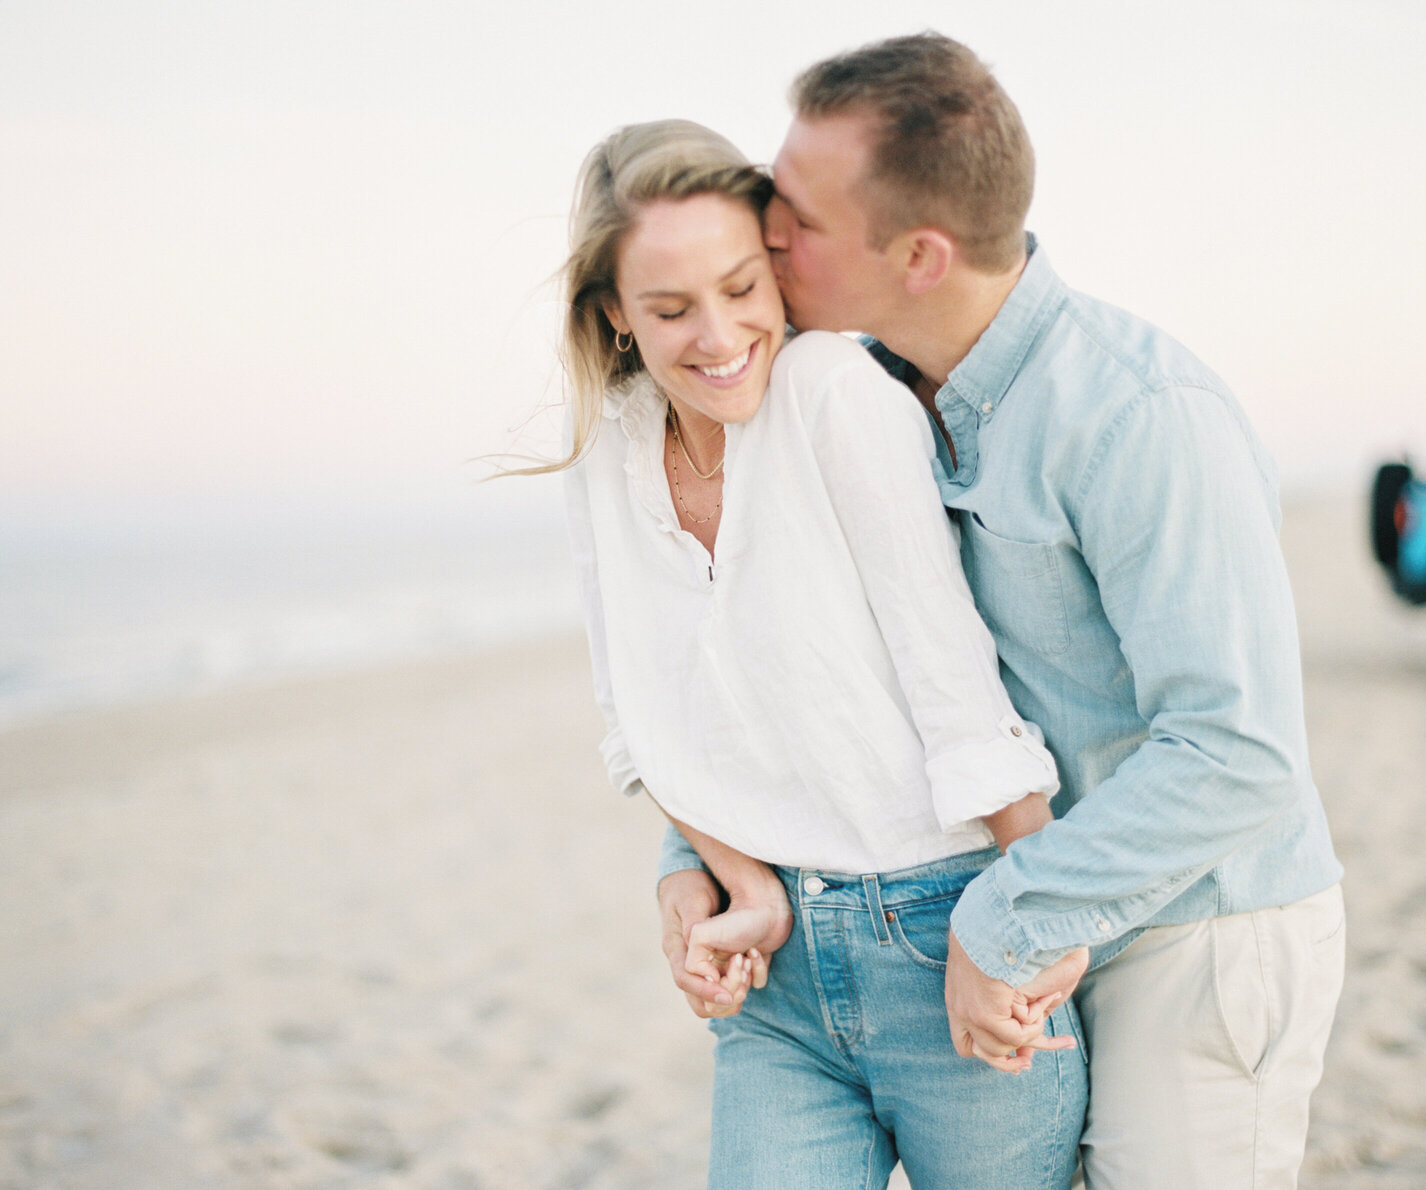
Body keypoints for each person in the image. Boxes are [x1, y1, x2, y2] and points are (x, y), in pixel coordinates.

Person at [657, 33, 1346, 1189]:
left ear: (919, 253)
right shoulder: (850, 392)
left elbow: (1239, 752)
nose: (764, 234)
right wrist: (694, 845)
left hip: (1194, 935)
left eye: (797, 217)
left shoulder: (1140, 414)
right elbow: (800, 654)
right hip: (1007, 921)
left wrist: (1005, 922)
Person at [539, 119, 1088, 1189]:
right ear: (612, 314)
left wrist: (1031, 922)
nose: (719, 333)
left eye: (742, 285)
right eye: (669, 307)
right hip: (778, 993)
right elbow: (637, 717)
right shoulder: (604, 446)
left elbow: (955, 687)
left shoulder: (833, 391)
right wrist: (740, 882)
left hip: (949, 931)